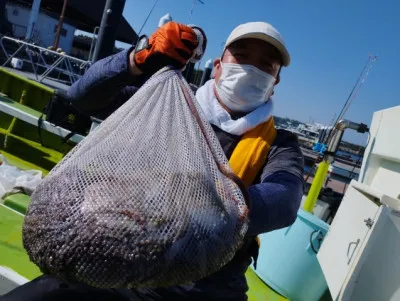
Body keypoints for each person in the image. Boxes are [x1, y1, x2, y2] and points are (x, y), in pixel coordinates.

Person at [1, 21, 304, 301]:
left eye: (265, 65)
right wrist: (135, 58)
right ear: (217, 66)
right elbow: (83, 97)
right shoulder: (166, 104)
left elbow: (284, 199)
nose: (252, 68)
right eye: (241, 56)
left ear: (274, 81)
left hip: (208, 285)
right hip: (124, 257)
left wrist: (207, 202)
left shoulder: (280, 144)